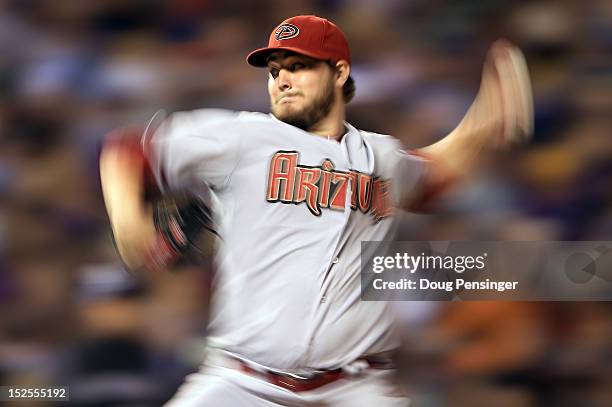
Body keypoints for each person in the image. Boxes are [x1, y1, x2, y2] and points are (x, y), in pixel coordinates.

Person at [99, 15, 532, 407]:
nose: (282, 80)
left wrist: (486, 120)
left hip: (355, 389)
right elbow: (127, 150)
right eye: (275, 71)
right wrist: (130, 229)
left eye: (298, 66)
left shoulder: (380, 156)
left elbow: (433, 175)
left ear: (339, 73)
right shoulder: (242, 138)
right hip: (242, 384)